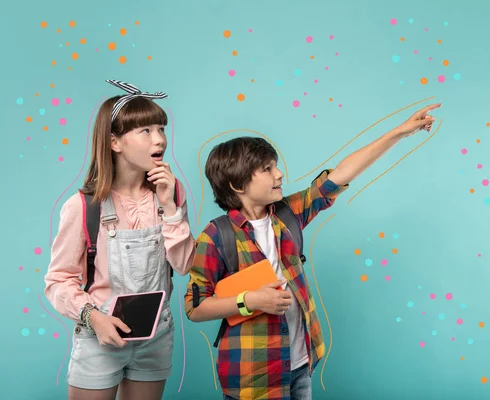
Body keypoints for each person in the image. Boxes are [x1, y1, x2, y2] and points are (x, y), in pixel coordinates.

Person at [184, 103, 441, 399]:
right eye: (267, 169)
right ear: (236, 184)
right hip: (252, 379)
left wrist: (398, 133)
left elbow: (341, 175)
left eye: (275, 165)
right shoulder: (217, 236)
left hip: (300, 365)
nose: (279, 174)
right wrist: (250, 300)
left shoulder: (287, 215)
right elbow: (194, 307)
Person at [45, 80, 196, 400]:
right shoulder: (83, 207)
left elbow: (184, 266)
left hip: (156, 337)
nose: (159, 139)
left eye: (161, 129)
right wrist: (93, 317)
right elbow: (58, 280)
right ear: (114, 142)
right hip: (99, 340)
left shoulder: (172, 192)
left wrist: (170, 209)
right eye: (145, 131)